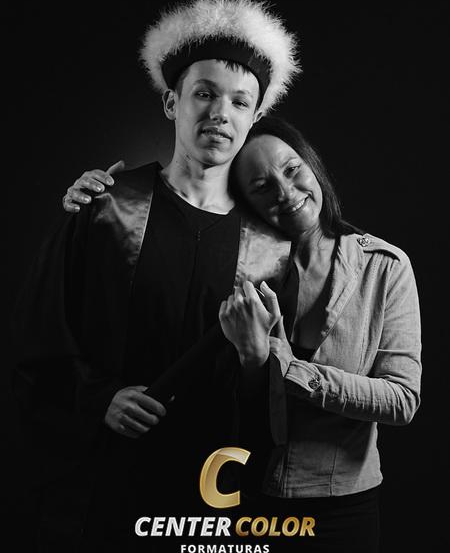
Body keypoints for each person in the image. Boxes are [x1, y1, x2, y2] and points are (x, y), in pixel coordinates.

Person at [12, 0, 300, 552]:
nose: (220, 113)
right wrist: (101, 399)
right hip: (102, 487)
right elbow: (39, 339)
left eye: (240, 101)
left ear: (253, 118)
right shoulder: (107, 208)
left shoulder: (270, 249)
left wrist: (255, 359)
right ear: (172, 102)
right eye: (204, 93)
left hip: (207, 494)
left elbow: (276, 395)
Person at [67, 116, 422, 553]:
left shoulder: (384, 266)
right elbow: (219, 390)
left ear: (311, 164)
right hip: (244, 496)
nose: (285, 193)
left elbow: (401, 399)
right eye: (261, 186)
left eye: (291, 169)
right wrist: (107, 195)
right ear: (246, 199)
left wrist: (289, 370)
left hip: (343, 506)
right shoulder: (242, 266)